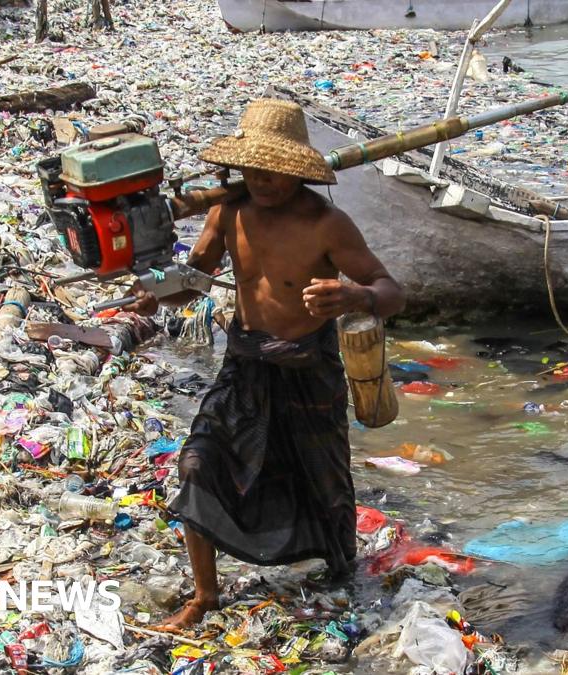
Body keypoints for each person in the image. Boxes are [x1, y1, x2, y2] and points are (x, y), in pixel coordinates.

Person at [122, 99, 405, 630]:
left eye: (275, 171)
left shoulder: (327, 224)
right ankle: (205, 596)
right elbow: (193, 280)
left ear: (297, 170)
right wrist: (153, 296)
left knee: (325, 482)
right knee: (197, 464)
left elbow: (393, 293)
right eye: (253, 170)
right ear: (239, 167)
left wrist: (352, 297)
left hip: (309, 369)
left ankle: (343, 575)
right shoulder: (228, 212)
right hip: (245, 363)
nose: (264, 181)